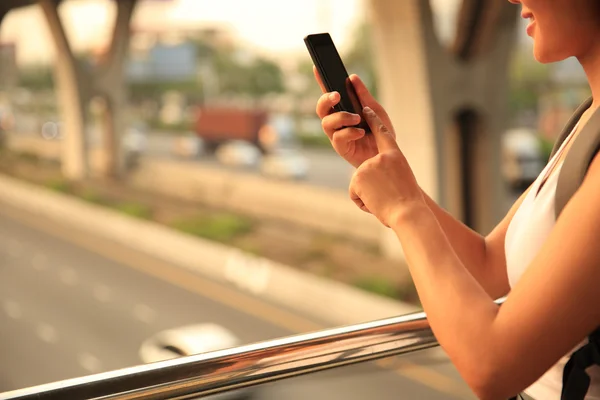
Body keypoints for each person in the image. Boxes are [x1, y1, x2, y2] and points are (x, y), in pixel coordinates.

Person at [313, 0, 600, 399]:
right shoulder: (586, 121)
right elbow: (488, 267)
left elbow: (493, 367)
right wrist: (389, 170)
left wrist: (404, 210)